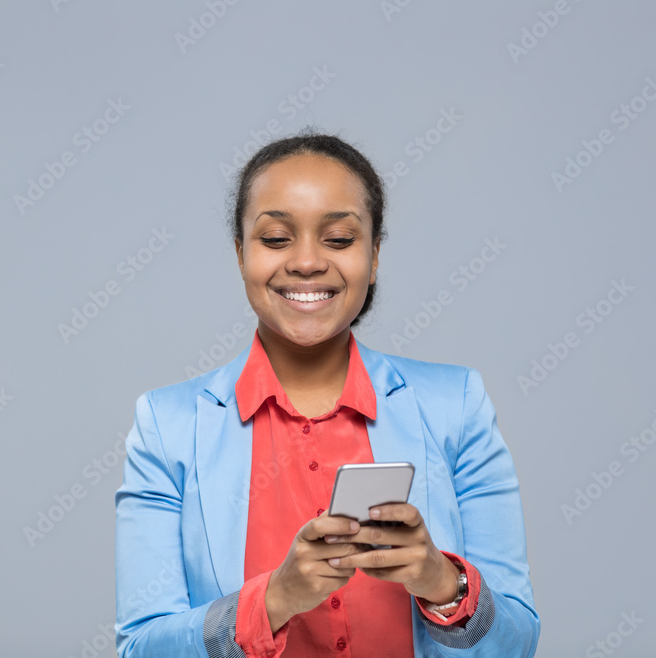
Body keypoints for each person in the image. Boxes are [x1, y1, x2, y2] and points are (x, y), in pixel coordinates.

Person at [114, 132, 540, 657]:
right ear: (240, 254)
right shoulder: (167, 425)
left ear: (375, 255)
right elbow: (141, 648)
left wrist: (442, 582)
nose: (308, 262)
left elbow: (518, 643)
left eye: (339, 238)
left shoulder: (457, 405)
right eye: (275, 239)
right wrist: (275, 599)